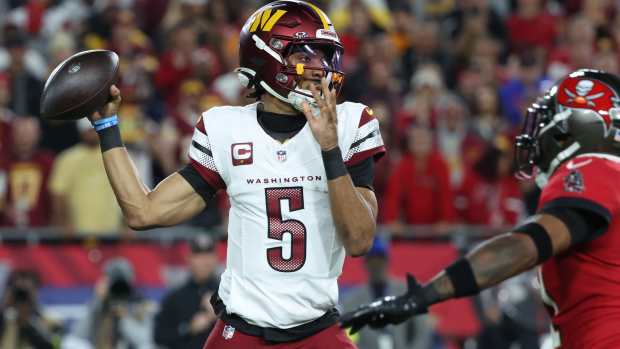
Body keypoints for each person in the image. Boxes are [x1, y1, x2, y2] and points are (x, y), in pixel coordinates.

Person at [86, 1, 384, 348]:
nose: (319, 68)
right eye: (305, 56)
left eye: (324, 56)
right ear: (266, 59)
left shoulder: (351, 123)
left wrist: (330, 149)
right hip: (241, 331)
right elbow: (143, 211)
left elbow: (361, 240)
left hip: (317, 328)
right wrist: (107, 126)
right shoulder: (226, 129)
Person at [341, 69, 620, 349]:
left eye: (547, 120)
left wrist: (424, 296)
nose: (538, 131)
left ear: (581, 122)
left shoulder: (594, 166)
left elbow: (526, 246)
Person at [340, 237, 433, 349]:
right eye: (372, 261)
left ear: (387, 261)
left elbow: (421, 330)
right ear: (365, 264)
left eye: (379, 261)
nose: (376, 266)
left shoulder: (406, 291)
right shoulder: (351, 300)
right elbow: (348, 336)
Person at [49, 119, 123, 236]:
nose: (92, 133)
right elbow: (58, 194)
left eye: (94, 130)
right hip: (76, 234)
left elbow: (124, 190)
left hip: (111, 233)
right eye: (88, 130)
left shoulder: (115, 155)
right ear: (81, 132)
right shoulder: (67, 158)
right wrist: (63, 223)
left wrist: (126, 224)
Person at [154, 234, 221, 349]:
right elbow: (159, 336)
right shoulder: (175, 297)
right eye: (198, 256)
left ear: (215, 258)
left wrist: (220, 313)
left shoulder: (228, 296)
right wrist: (188, 328)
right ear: (188, 258)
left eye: (208, 255)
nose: (204, 262)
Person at [73, 258, 155, 349]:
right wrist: (96, 301)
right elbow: (78, 336)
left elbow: (145, 341)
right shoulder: (100, 304)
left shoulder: (139, 305)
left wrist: (124, 318)